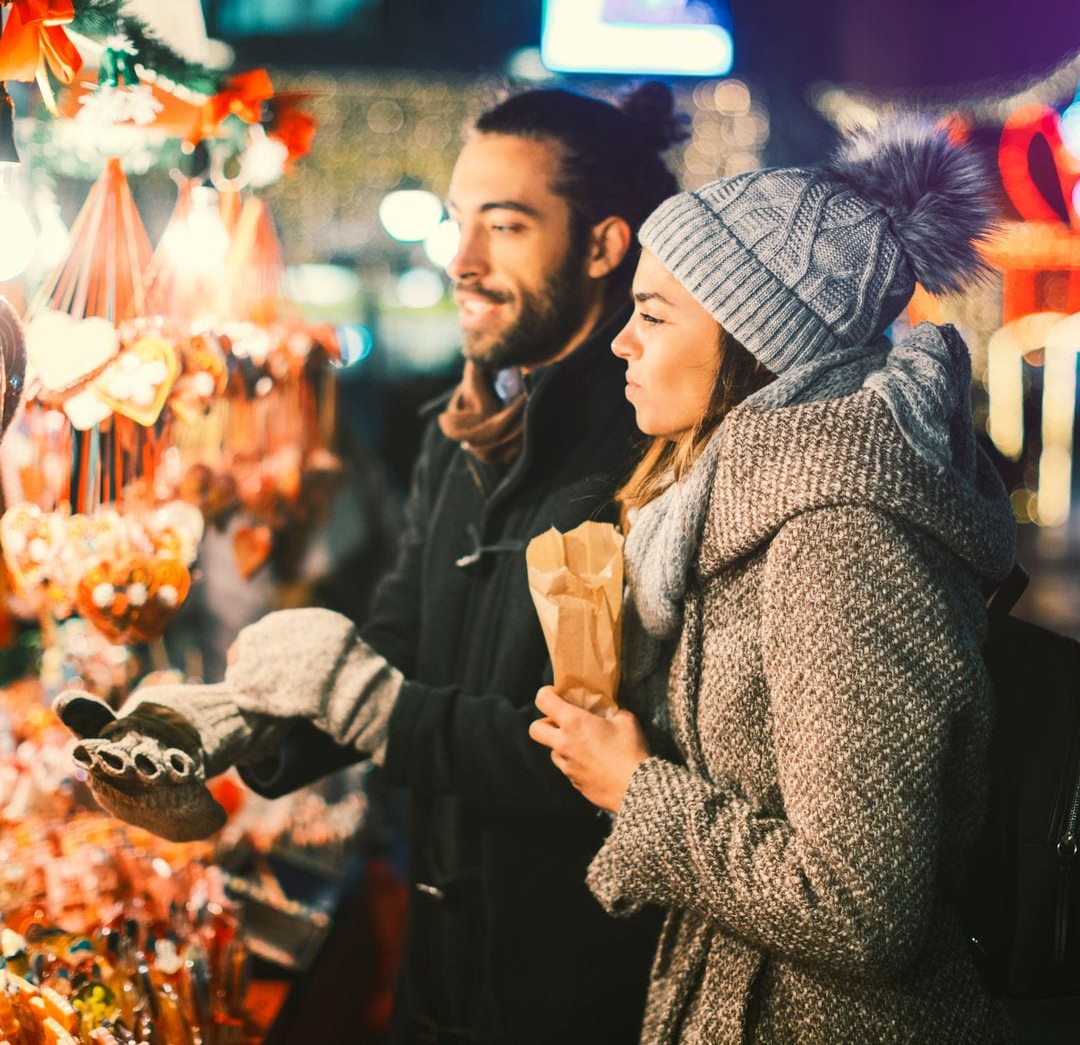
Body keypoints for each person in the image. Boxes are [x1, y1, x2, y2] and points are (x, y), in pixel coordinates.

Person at [55, 85, 686, 1044]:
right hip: (436, 970)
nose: (461, 261)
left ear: (604, 246)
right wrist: (245, 725)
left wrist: (380, 710)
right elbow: (397, 638)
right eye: (457, 221)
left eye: (506, 227)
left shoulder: (654, 457)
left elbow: (615, 761)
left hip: (575, 990)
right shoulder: (457, 432)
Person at [529, 120, 1017, 1043]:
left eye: (655, 314)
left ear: (755, 341)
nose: (621, 345)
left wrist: (635, 789)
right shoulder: (729, 511)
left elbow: (864, 907)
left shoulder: (839, 539)